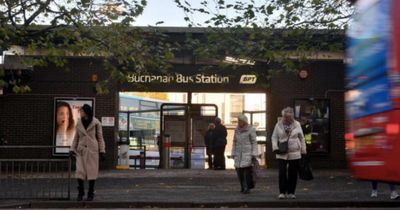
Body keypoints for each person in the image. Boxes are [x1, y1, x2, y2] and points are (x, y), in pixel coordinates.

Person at [70, 104, 106, 201]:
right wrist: (72, 149)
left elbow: (100, 138)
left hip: (92, 150)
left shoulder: (96, 123)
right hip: (81, 151)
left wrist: (102, 151)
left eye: (81, 111)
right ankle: (80, 193)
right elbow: (76, 138)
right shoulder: (79, 123)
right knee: (79, 172)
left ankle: (90, 193)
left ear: (86, 112)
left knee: (92, 173)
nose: (80, 113)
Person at [272, 107, 307, 199]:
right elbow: (274, 137)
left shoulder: (297, 124)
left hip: (294, 152)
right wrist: (275, 147)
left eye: (290, 117)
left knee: (293, 173)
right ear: (283, 116)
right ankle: (282, 192)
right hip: (281, 151)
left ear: (292, 116)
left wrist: (303, 150)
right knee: (282, 172)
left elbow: (301, 138)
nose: (288, 119)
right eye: (286, 117)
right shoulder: (278, 125)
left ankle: (291, 192)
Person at [231, 114, 258, 194]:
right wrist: (233, 152)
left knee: (246, 172)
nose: (239, 122)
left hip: (247, 153)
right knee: (239, 172)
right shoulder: (236, 130)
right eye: (238, 121)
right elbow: (234, 142)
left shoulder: (251, 129)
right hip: (238, 154)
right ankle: (242, 186)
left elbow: (254, 142)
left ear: (244, 121)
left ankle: (247, 187)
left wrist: (254, 153)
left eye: (240, 121)